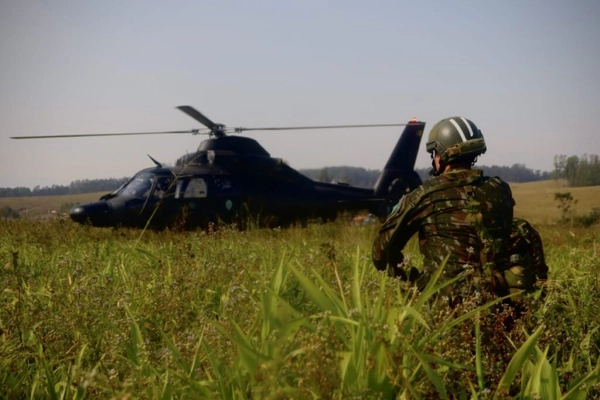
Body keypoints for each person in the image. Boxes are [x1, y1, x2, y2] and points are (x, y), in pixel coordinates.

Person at [372, 116, 515, 301]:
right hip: (499, 304)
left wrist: (417, 279)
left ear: (441, 155)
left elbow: (381, 254)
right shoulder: (500, 189)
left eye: (435, 153)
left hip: (447, 309)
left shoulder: (426, 195)